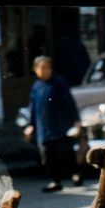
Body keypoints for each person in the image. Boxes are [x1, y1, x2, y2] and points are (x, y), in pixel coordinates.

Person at [24, 55, 83, 192]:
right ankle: (55, 181)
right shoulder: (36, 86)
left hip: (60, 126)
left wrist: (76, 121)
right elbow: (32, 107)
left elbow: (70, 103)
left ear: (51, 69)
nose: (43, 70)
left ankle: (76, 174)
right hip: (43, 127)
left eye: (46, 67)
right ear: (35, 69)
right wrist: (30, 124)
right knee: (48, 156)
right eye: (40, 68)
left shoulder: (59, 83)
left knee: (65, 153)